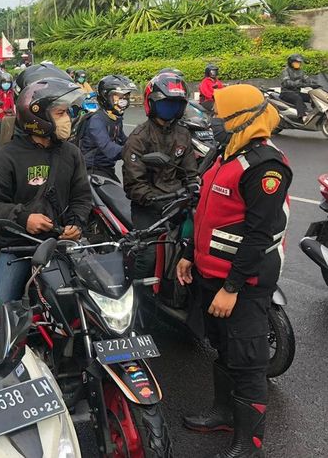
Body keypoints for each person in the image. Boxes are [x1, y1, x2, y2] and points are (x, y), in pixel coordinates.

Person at [177, 85, 291, 458]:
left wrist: (232, 287)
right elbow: (203, 208)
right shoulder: (224, 153)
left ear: (243, 118)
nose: (214, 121)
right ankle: (224, 413)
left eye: (221, 115)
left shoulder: (266, 166)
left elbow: (259, 236)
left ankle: (249, 445)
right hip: (209, 273)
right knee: (222, 348)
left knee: (248, 361)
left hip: (244, 284)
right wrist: (188, 253)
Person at [0, 78, 93, 302]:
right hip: (17, 247)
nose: (67, 120)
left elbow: (82, 196)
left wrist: (76, 223)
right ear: (37, 117)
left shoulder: (71, 154)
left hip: (60, 245)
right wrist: (24, 218)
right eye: (60, 113)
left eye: (67, 113)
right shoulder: (7, 156)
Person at [0, 62, 74, 295]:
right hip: (6, 226)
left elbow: (76, 184)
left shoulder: (60, 135)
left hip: (54, 223)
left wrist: (77, 222)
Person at [122, 72, 199, 282]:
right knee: (148, 256)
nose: (171, 109)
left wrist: (194, 187)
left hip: (178, 202)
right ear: (152, 104)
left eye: (176, 105)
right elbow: (134, 183)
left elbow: (191, 171)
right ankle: (137, 295)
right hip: (150, 206)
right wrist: (155, 199)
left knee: (197, 247)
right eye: (166, 104)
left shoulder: (183, 134)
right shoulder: (139, 138)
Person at [77, 75, 137, 182]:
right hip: (91, 172)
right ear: (106, 97)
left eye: (126, 96)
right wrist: (134, 152)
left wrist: (144, 146)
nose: (123, 100)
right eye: (118, 96)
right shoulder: (96, 120)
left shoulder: (115, 118)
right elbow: (109, 149)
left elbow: (124, 140)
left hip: (106, 170)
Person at [280, 53, 315, 120]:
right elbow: (287, 83)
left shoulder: (300, 71)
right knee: (298, 98)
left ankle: (316, 113)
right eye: (296, 62)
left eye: (299, 62)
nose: (298, 64)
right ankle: (302, 116)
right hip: (286, 93)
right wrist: (299, 83)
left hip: (296, 92)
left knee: (312, 96)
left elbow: (307, 79)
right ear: (291, 62)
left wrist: (314, 83)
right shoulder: (285, 71)